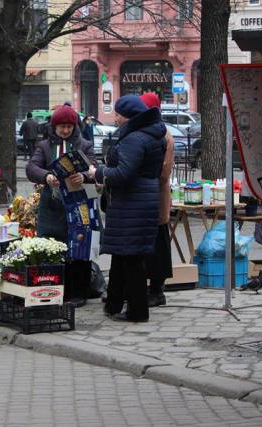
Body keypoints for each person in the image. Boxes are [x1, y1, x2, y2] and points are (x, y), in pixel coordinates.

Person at [88, 95, 166, 322]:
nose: (116, 118)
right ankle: (113, 304)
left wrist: (98, 173)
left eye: (119, 114)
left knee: (132, 259)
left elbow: (124, 173)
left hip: (132, 203)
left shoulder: (135, 139)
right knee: (123, 256)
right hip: (141, 201)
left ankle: (137, 311)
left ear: (130, 116)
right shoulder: (153, 134)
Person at [26, 105, 97, 308]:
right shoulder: (45, 146)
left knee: (79, 250)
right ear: (54, 126)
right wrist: (46, 176)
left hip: (79, 205)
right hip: (52, 207)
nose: (65, 130)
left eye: (69, 126)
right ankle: (55, 289)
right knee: (53, 248)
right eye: (61, 127)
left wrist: (83, 176)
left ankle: (78, 293)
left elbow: (94, 168)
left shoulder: (85, 145)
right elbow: (32, 167)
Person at [140, 92, 174, 307]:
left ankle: (157, 289)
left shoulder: (164, 136)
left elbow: (163, 172)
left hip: (156, 197)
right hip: (147, 198)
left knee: (158, 245)